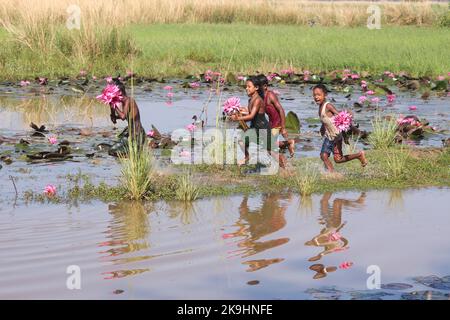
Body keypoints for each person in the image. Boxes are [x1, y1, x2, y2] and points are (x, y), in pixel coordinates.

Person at [314, 84, 367, 171]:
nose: (316, 97)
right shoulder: (320, 107)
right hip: (329, 136)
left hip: (336, 136)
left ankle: (333, 174)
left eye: (319, 95)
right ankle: (358, 156)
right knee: (332, 158)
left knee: (328, 156)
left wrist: (348, 133)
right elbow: (326, 120)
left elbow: (340, 117)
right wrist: (322, 129)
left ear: (325, 95)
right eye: (314, 95)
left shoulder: (328, 106)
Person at [256, 74, 295, 168]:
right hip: (271, 123)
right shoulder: (260, 97)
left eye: (258, 86)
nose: (256, 88)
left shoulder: (270, 95)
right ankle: (288, 143)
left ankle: (284, 166)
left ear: (265, 86)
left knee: (269, 147)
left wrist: (283, 127)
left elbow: (281, 110)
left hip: (277, 123)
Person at [230, 76, 271, 166]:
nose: (246, 88)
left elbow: (251, 116)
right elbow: (251, 112)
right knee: (241, 141)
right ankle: (247, 157)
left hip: (263, 128)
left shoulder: (257, 100)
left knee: (271, 152)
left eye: (249, 86)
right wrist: (239, 111)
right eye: (246, 86)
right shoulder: (251, 99)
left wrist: (237, 118)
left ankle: (286, 168)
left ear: (256, 88)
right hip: (255, 129)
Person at [109, 79, 146, 155]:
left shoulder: (129, 101)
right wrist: (113, 113)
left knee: (134, 156)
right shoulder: (124, 102)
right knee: (112, 150)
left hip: (138, 134)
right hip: (130, 133)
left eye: (114, 93)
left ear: (119, 92)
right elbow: (124, 117)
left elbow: (123, 116)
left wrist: (114, 106)